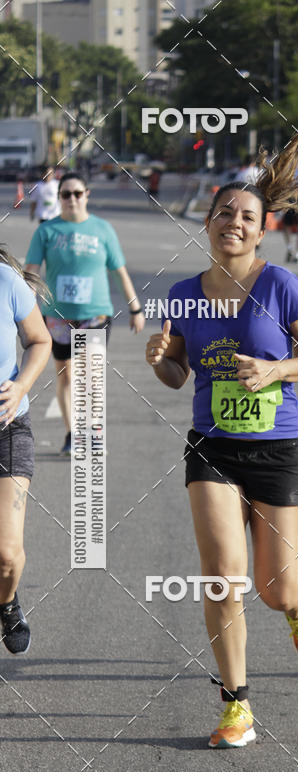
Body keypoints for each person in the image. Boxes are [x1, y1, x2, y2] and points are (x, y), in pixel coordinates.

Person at [146, 132, 298, 749]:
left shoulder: (279, 284)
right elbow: (178, 377)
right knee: (222, 578)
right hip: (213, 448)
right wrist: (158, 360)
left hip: (279, 449)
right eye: (225, 212)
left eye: (247, 217)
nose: (234, 221)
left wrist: (275, 370)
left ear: (260, 233)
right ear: (207, 222)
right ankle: (237, 705)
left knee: (275, 586)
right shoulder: (183, 297)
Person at [24, 171, 145, 455]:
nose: (72, 199)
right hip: (57, 316)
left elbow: (119, 271)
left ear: (87, 195)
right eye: (66, 194)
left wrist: (135, 307)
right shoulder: (46, 231)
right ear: (59, 198)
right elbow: (31, 274)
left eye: (78, 193)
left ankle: (91, 433)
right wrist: (22, 312)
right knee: (65, 376)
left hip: (96, 314)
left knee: (87, 374)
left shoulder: (102, 230)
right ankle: (71, 433)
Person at [0, 248, 52, 654]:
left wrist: (20, 387)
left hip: (7, 428)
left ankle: (7, 602)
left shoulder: (6, 280)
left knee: (6, 552)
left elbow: (39, 339)